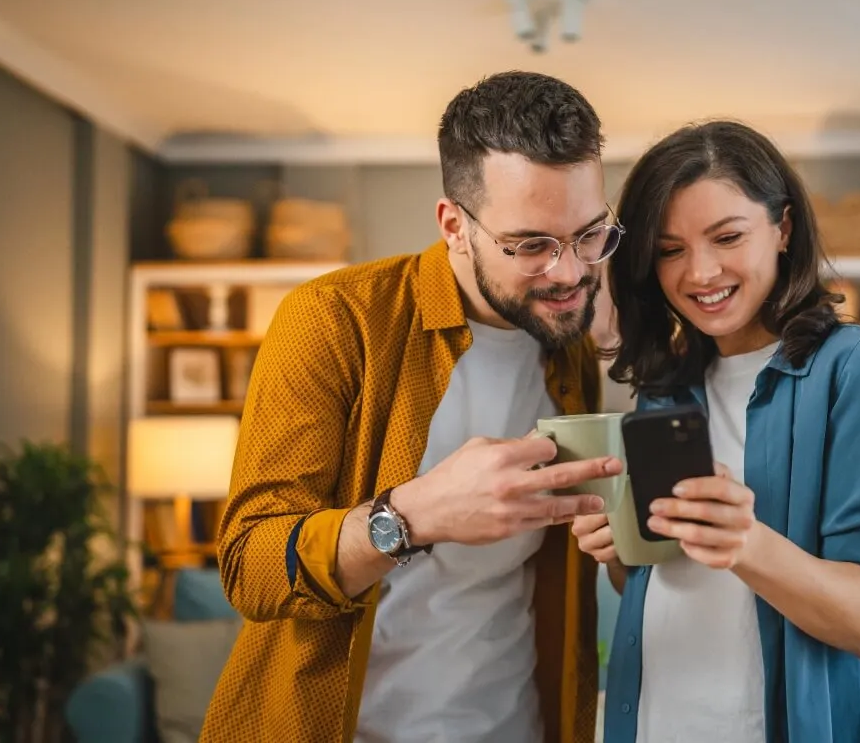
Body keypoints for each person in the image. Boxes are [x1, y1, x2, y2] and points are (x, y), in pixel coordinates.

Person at [202, 71, 627, 743]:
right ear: (454, 226)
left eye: (589, 235)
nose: (569, 271)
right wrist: (411, 517)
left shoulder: (565, 343)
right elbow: (249, 566)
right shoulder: (334, 320)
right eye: (532, 246)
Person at [573, 120, 860, 743]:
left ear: (783, 228)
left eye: (727, 236)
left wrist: (745, 542)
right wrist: (619, 548)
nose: (700, 272)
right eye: (670, 250)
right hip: (656, 720)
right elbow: (662, 581)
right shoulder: (665, 385)